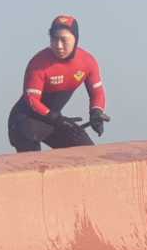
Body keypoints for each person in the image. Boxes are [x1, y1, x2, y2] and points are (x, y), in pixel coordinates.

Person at [7, 15, 110, 153]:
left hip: (54, 119)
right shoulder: (38, 63)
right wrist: (56, 118)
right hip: (25, 120)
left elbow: (97, 92)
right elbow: (32, 100)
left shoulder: (87, 61)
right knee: (34, 160)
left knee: (87, 152)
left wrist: (96, 113)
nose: (59, 46)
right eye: (54, 39)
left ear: (75, 39)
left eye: (64, 40)